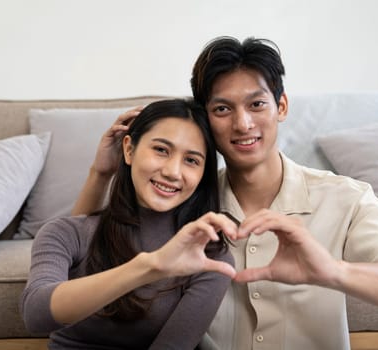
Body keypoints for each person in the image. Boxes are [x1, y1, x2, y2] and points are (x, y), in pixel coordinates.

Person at [73, 37, 378, 350]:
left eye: (256, 104)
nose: (242, 123)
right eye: (222, 109)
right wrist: (101, 172)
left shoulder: (347, 198)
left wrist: (331, 271)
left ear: (281, 106)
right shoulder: (184, 196)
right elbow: (80, 254)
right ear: (206, 119)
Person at [21, 98, 236, 350]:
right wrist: (148, 267)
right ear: (129, 150)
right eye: (161, 150)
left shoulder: (209, 257)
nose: (173, 171)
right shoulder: (66, 232)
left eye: (192, 160)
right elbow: (35, 314)